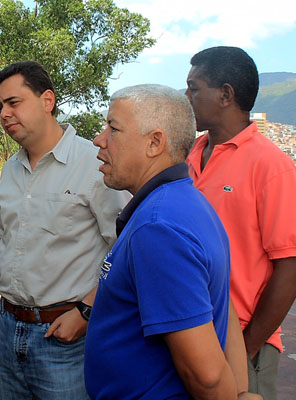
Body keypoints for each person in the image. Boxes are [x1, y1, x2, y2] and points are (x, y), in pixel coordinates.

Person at [0, 61, 129, 399]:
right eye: (0, 105)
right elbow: (3, 242)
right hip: (7, 330)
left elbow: (125, 251)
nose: (4, 113)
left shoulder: (95, 165)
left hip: (65, 339)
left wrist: (85, 312)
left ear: (47, 100)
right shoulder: (11, 169)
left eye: (14, 102)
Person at [84, 83, 241, 399]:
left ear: (155, 142)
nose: (99, 140)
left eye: (112, 128)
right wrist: (241, 391)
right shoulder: (186, 202)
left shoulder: (158, 227)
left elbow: (206, 376)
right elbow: (224, 309)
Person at [186, 46, 296, 400]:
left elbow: (289, 267)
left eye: (193, 88)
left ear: (225, 94)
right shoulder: (187, 155)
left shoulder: (270, 165)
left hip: (245, 342)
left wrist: (247, 348)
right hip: (189, 332)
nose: (186, 97)